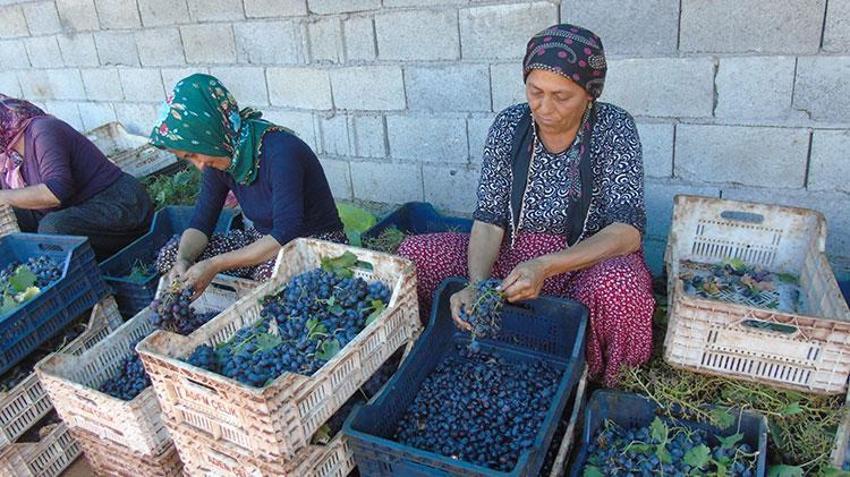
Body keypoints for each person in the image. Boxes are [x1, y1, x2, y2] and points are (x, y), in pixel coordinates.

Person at [397, 24, 655, 385]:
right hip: (514, 256)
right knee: (415, 254)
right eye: (535, 91)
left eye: (562, 96)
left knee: (621, 289)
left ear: (590, 93)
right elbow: (488, 221)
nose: (545, 107)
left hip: (585, 261)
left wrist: (546, 266)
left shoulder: (614, 128)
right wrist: (479, 284)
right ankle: (446, 351)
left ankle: (598, 384)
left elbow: (627, 233)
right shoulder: (509, 125)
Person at [150, 74, 345, 296]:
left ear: (209, 131)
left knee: (268, 282)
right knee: (171, 256)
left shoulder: (282, 152)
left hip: (312, 243)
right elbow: (201, 222)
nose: (199, 165)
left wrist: (215, 264)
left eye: (194, 154)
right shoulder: (221, 157)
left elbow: (286, 233)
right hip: (261, 239)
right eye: (188, 158)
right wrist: (184, 259)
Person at [0, 94, 154, 260]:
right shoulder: (7, 155)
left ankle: (96, 272)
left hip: (118, 204)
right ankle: (46, 268)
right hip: (80, 211)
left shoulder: (43, 130)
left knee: (53, 227)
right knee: (20, 213)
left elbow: (56, 192)